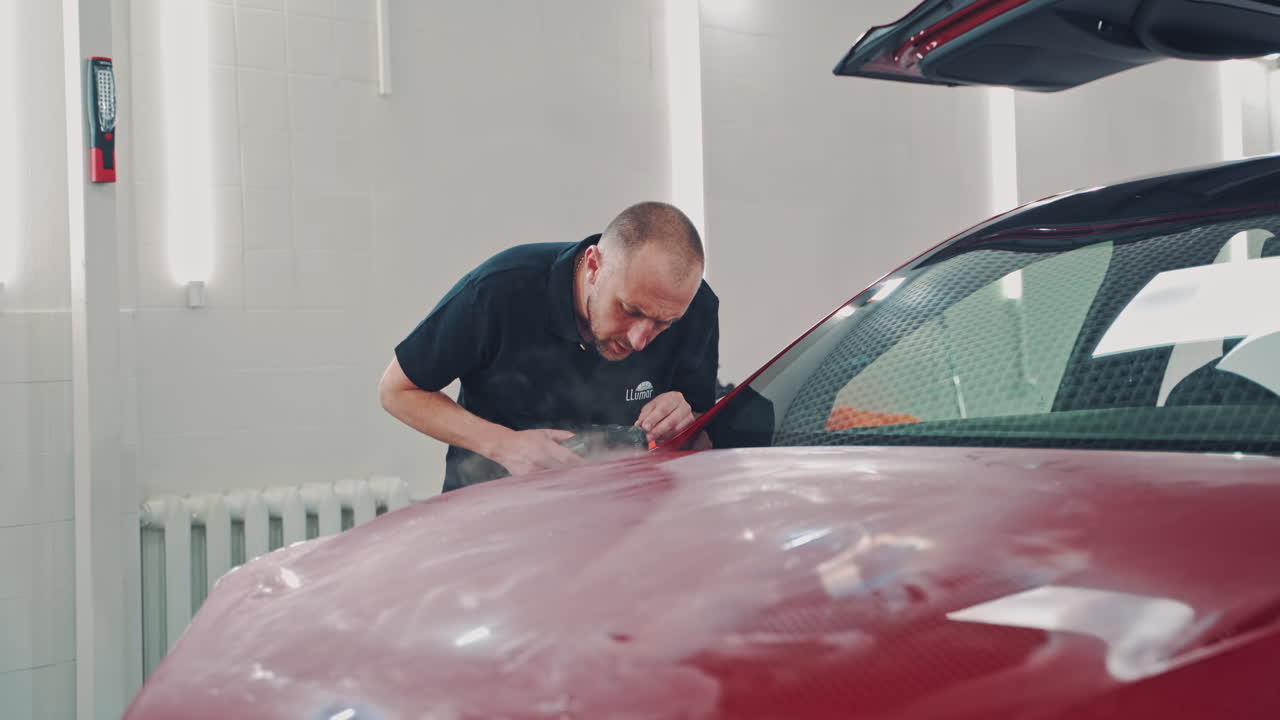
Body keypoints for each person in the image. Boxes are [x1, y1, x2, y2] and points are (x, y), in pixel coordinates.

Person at [378, 201, 719, 492]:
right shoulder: (501, 290)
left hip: (621, 515)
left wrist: (684, 417)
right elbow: (397, 391)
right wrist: (505, 445)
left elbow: (701, 428)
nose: (640, 340)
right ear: (594, 267)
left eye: (664, 323)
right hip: (493, 514)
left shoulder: (695, 307)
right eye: (630, 310)